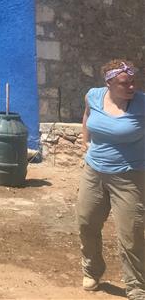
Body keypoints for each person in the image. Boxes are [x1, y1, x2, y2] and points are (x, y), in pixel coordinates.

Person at [77, 59, 145, 299]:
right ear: (109, 83)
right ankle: (92, 270)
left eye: (133, 82)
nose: (131, 88)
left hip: (129, 177)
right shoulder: (93, 96)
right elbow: (87, 117)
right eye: (124, 84)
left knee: (131, 233)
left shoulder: (142, 103)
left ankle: (136, 286)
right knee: (86, 222)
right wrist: (85, 143)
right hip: (94, 172)